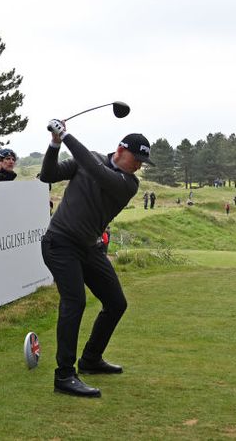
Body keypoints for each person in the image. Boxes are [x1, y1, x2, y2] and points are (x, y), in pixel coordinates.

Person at [39, 119, 152, 398]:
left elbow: (96, 171)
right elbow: (48, 175)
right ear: (120, 150)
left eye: (142, 162)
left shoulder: (129, 183)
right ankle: (64, 375)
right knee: (74, 302)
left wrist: (66, 135)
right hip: (60, 243)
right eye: (136, 159)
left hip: (89, 247)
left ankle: (90, 359)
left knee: (116, 303)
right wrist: (55, 144)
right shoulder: (89, 160)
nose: (139, 166)